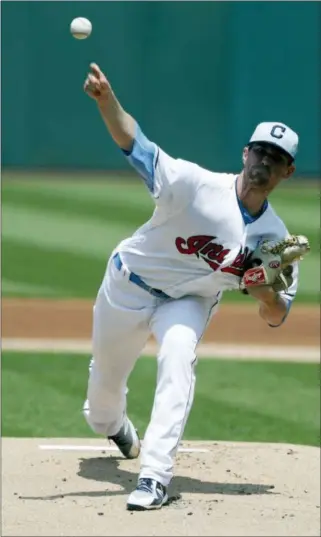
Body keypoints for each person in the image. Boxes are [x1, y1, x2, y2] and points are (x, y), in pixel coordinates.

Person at [82, 63, 299, 511]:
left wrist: (262, 290)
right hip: (128, 285)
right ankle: (115, 424)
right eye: (259, 152)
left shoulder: (275, 241)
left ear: (287, 172)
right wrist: (107, 102)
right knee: (101, 401)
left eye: (275, 158)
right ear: (245, 154)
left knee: (179, 355)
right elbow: (135, 145)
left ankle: (155, 476)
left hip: (189, 303)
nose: (264, 161)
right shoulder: (194, 185)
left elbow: (277, 315)